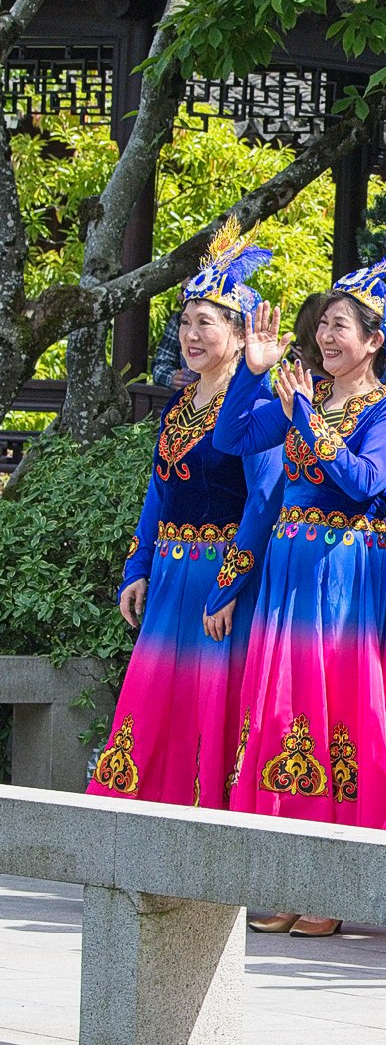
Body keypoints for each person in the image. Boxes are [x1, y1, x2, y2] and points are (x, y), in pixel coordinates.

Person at [217, 225, 386, 939]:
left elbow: (365, 480)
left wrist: (306, 418)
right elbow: (228, 439)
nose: (324, 337)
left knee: (333, 710)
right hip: (290, 571)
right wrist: (253, 372)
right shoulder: (300, 392)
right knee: (282, 709)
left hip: (346, 572)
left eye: (339, 326)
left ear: (375, 340)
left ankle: (334, 884)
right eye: (323, 327)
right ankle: (282, 876)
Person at [89, 224, 283, 807]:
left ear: (240, 332)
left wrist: (228, 586)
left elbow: (265, 500)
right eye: (186, 321)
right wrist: (137, 568)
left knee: (209, 710)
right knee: (153, 705)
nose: (191, 334)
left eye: (207, 322)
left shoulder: (259, 405)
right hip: (171, 577)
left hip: (220, 582)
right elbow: (158, 491)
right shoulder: (180, 402)